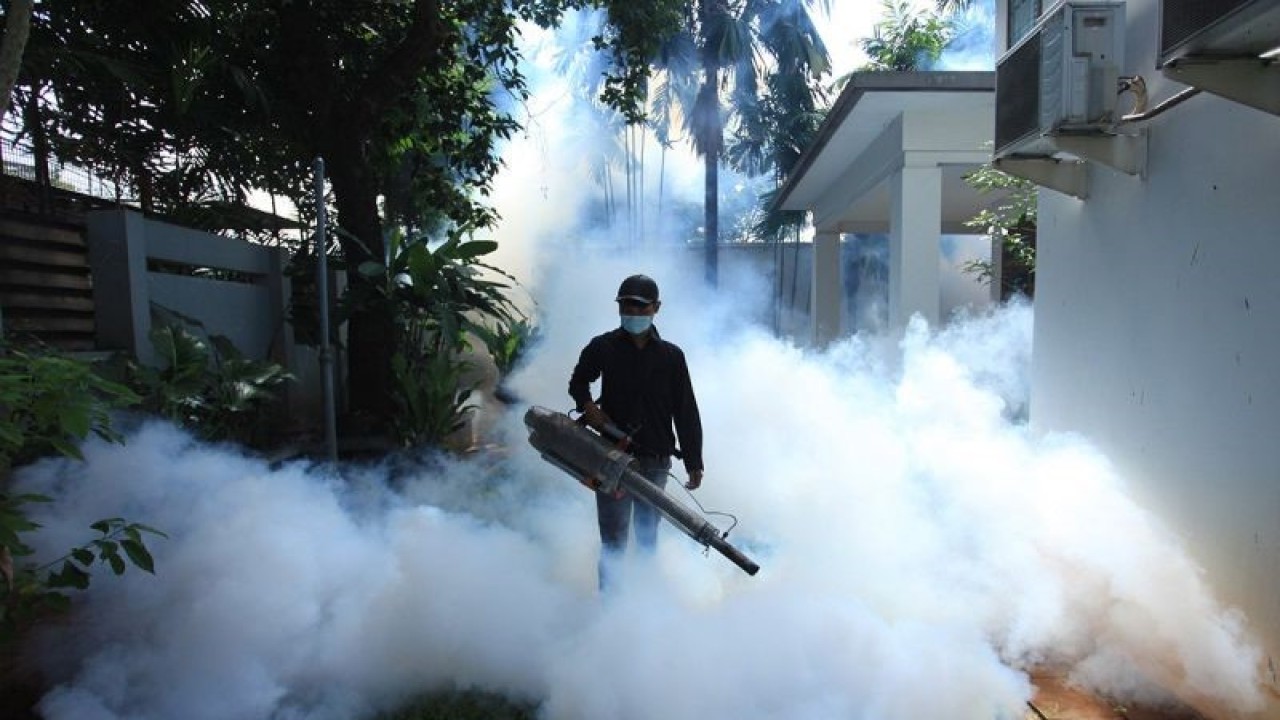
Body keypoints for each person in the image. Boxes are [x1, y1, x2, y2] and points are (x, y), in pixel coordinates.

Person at [568, 274, 704, 590]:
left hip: (656, 459)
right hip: (611, 456)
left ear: (657, 308)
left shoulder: (671, 356)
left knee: (647, 540)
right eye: (627, 306)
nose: (634, 313)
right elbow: (578, 381)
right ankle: (610, 613)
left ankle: (642, 611)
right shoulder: (602, 347)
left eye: (641, 307)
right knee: (613, 541)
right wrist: (588, 406)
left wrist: (694, 461)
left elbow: (685, 410)